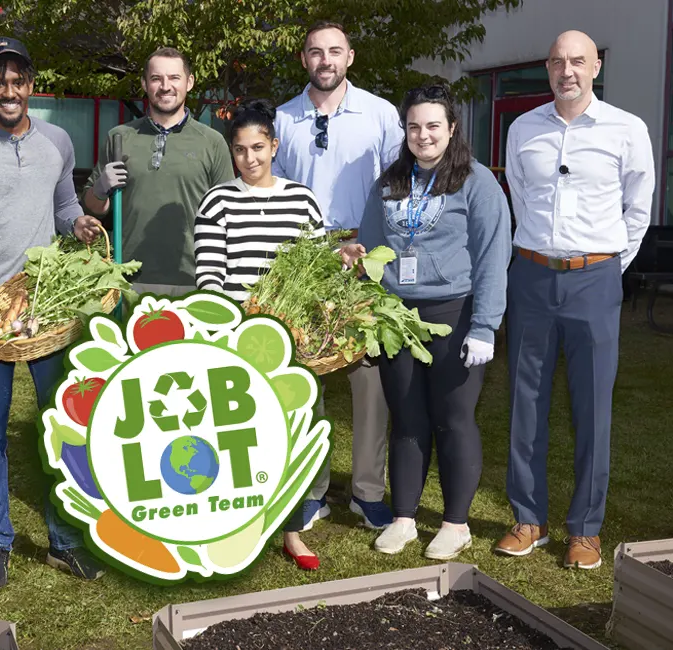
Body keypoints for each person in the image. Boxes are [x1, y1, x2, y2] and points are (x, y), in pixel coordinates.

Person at [0, 37, 107, 588]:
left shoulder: (57, 140)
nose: (9, 90)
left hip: (46, 304)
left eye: (18, 80)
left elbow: (63, 208)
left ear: (32, 84)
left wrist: (79, 224)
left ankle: (64, 540)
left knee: (60, 425)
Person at [495, 30, 654, 570]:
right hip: (532, 278)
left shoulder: (627, 130)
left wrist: (607, 269)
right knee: (525, 403)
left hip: (595, 280)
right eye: (559, 61)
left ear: (596, 66)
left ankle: (585, 529)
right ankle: (527, 519)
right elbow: (519, 195)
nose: (568, 71)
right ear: (547, 67)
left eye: (578, 61)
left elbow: (638, 210)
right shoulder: (522, 129)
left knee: (592, 408)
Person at [342, 85, 511, 561]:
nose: (423, 135)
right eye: (414, 126)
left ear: (452, 128)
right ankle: (404, 518)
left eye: (433, 125)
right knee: (408, 420)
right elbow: (370, 250)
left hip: (454, 314)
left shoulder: (476, 182)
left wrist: (485, 325)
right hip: (399, 317)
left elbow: (494, 257)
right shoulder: (390, 182)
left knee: (453, 419)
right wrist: (368, 308)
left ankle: (455, 524)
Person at [273, 21, 404, 532]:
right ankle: (312, 489)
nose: (325, 60)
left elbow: (399, 186)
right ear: (303, 59)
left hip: (364, 252)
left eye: (334, 51)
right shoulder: (284, 118)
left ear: (350, 57)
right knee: (306, 375)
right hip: (303, 261)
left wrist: (381, 249)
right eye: (314, 52)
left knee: (369, 379)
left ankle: (369, 491)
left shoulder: (380, 114)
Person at [193, 99, 326, 569]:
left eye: (258, 148)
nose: (250, 159)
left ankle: (292, 531)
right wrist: (230, 327)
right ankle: (234, 524)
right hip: (239, 334)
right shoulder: (218, 201)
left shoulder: (302, 200)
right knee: (238, 433)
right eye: (240, 150)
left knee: (292, 430)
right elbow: (209, 277)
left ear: (274, 146)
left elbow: (317, 271)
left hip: (291, 336)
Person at [83, 47, 235, 296]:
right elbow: (92, 208)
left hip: (194, 278)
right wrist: (100, 188)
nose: (165, 86)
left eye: (174, 78)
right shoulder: (120, 137)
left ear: (189, 82)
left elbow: (228, 215)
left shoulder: (212, 141)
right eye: (156, 78)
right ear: (144, 83)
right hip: (128, 278)